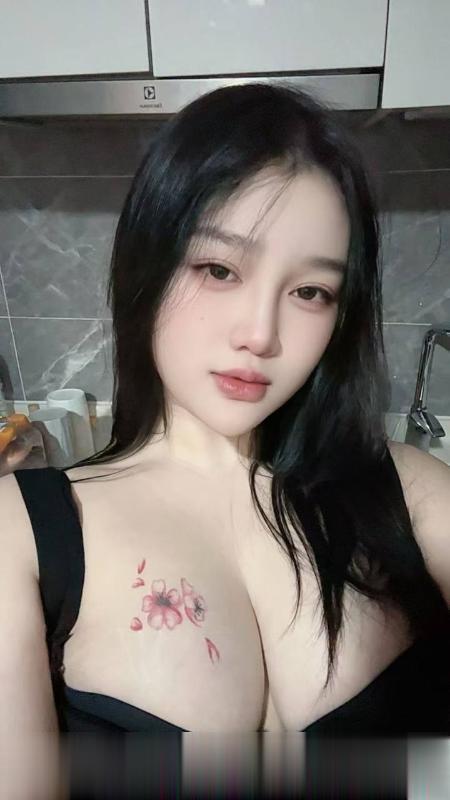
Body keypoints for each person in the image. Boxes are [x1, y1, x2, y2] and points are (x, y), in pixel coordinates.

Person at [1, 82, 449, 796]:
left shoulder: (413, 492)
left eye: (311, 292)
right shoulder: (24, 533)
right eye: (219, 269)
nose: (261, 334)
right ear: (147, 266)